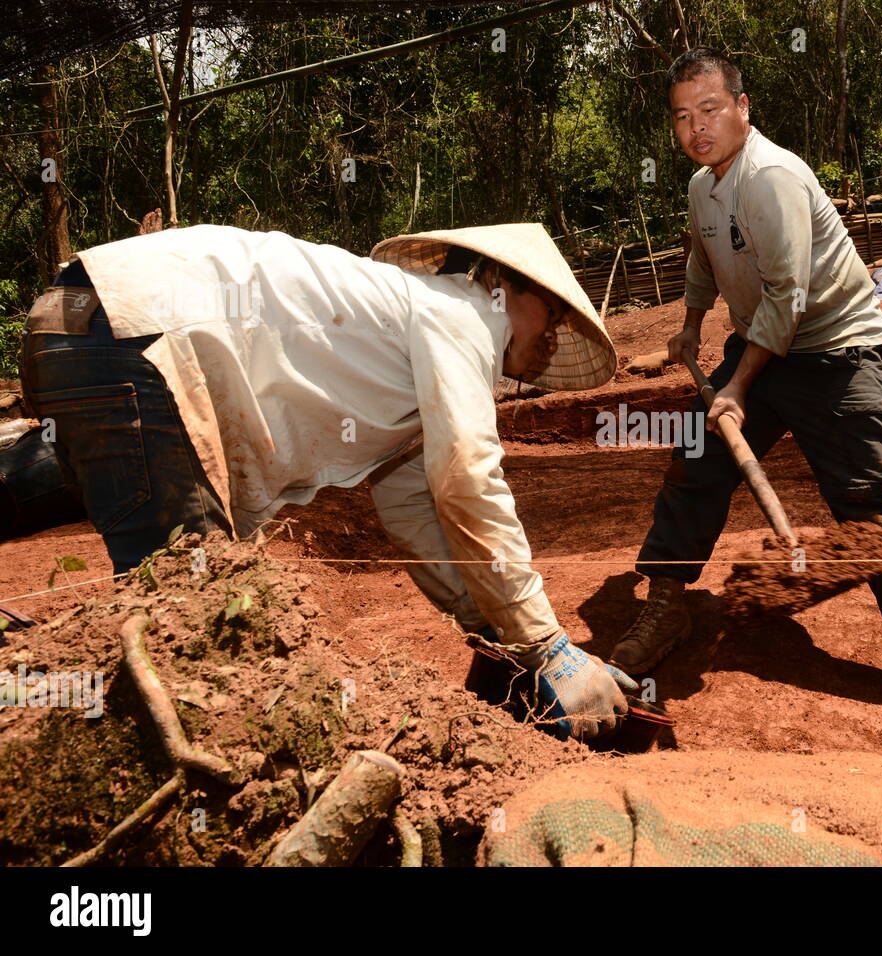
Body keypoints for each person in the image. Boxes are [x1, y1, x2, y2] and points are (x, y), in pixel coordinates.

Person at [20, 222, 634, 741]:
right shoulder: (463, 316)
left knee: (164, 581)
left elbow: (416, 509)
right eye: (549, 311)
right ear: (498, 284)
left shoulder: (411, 325)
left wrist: (494, 633)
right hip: (133, 329)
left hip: (71, 318)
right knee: (192, 613)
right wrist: (548, 644)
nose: (553, 332)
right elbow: (468, 479)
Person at [609, 48, 882, 740]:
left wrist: (737, 386)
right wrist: (689, 332)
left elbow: (790, 295)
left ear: (743, 108)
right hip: (765, 343)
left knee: (877, 496)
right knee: (696, 461)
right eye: (682, 116)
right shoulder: (700, 186)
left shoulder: (770, 176)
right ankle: (667, 604)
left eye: (710, 109)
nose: (696, 127)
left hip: (836, 348)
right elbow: (701, 255)